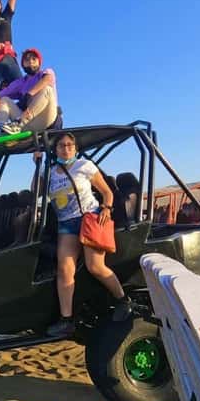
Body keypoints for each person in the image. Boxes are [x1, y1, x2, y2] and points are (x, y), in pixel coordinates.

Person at [46, 133, 131, 337]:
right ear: (55, 149)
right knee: (64, 270)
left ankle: (123, 300)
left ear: (74, 148)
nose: (66, 149)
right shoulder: (50, 173)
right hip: (66, 224)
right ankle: (67, 320)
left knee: (95, 266)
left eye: (69, 145)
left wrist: (106, 209)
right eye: (61, 145)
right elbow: (36, 190)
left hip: (89, 219)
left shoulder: (84, 165)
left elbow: (107, 192)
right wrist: (38, 165)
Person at [0, 48, 60, 134]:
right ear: (23, 64)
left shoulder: (46, 73)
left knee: (47, 89)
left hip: (45, 117)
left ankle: (19, 123)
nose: (30, 61)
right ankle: (2, 128)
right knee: (4, 99)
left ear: (39, 62)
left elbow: (47, 79)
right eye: (27, 60)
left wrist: (29, 94)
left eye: (34, 59)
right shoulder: (20, 82)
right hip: (27, 123)